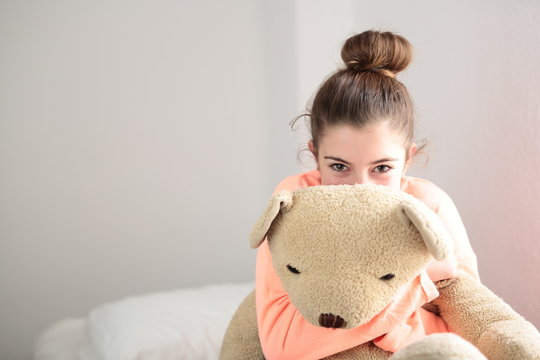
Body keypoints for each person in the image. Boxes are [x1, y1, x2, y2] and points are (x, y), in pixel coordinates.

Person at [255, 30, 480, 360]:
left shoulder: (430, 205)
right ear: (315, 155)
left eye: (382, 168)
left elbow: (464, 336)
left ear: (408, 158)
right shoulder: (294, 200)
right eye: (339, 166)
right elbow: (283, 346)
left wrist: (351, 328)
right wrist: (420, 282)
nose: (360, 188)